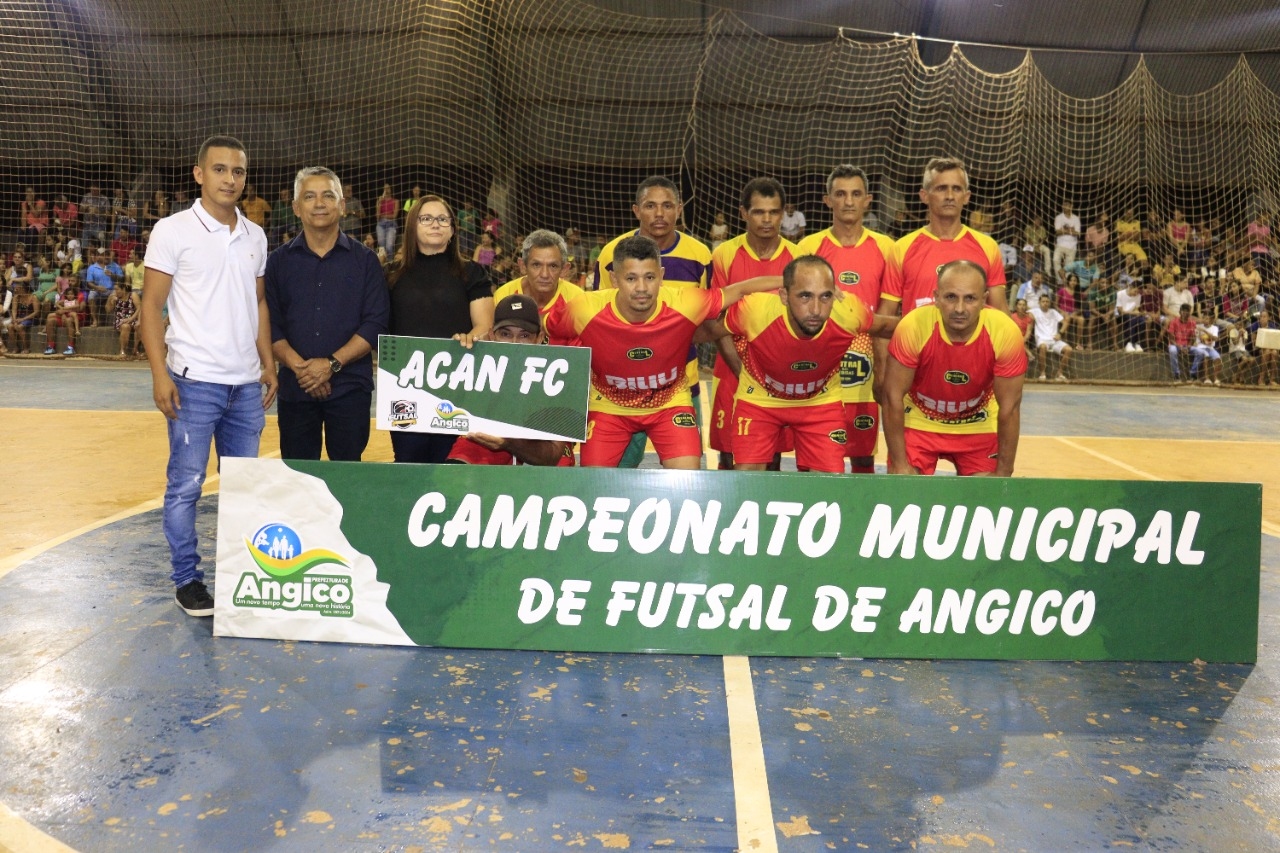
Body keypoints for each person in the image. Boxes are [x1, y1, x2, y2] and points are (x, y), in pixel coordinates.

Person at [140, 135, 277, 618]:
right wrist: (161, 375)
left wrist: (267, 361)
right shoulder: (173, 230)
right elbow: (151, 307)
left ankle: (241, 573)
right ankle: (188, 580)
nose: (229, 179)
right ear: (199, 174)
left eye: (237, 171)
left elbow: (258, 302)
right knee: (186, 485)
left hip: (244, 386)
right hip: (193, 381)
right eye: (219, 170)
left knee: (244, 486)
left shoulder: (255, 235)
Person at [546, 234, 773, 470]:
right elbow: (549, 329)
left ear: (662, 276)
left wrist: (790, 283)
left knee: (687, 481)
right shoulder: (584, 309)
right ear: (614, 279)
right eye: (631, 278)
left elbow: (740, 290)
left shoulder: (684, 302)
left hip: (669, 401)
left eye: (650, 277)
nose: (642, 288)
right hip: (609, 404)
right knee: (594, 482)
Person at [716, 255, 897, 473]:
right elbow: (704, 328)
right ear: (784, 295)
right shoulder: (756, 310)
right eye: (805, 296)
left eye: (825, 297)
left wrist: (934, 320)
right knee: (747, 481)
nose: (816, 309)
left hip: (819, 401)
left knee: (828, 487)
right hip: (761, 399)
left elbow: (887, 326)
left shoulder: (846, 311)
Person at [265, 167, 390, 462]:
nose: (319, 203)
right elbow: (270, 325)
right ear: (296, 208)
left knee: (346, 477)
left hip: (350, 388)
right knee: (298, 478)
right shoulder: (278, 262)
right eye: (309, 196)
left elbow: (375, 323)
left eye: (328, 195)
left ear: (342, 205)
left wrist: (331, 364)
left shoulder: (366, 261)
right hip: (296, 388)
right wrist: (303, 369)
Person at [593, 176, 712, 467]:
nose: (659, 214)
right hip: (621, 391)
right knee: (613, 480)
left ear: (680, 208)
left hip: (680, 388)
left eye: (667, 205)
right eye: (650, 206)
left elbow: (706, 320)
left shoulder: (700, 256)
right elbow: (601, 319)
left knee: (685, 481)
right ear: (636, 210)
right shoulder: (612, 254)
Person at [796, 165, 899, 474]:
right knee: (812, 458)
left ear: (868, 200)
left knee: (863, 456)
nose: (849, 202)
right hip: (818, 366)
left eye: (856, 194)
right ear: (828, 200)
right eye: (841, 194)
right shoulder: (808, 247)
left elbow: (886, 317)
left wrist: (882, 371)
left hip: (865, 368)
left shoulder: (887, 248)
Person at [882, 259, 1027, 477]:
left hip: (977, 420)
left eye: (970, 298)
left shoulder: (1005, 331)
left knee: (985, 501)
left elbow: (1010, 409)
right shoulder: (913, 326)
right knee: (906, 491)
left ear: (984, 300)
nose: (960, 309)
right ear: (936, 298)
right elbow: (892, 397)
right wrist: (901, 465)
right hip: (920, 417)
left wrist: (1003, 472)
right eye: (951, 297)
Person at [386, 193, 494, 464]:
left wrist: (471, 336)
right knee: (408, 461)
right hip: (404, 387)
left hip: (457, 384)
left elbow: (485, 325)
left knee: (450, 465)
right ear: (413, 226)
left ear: (453, 229)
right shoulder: (389, 274)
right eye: (426, 218)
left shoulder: (473, 272)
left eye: (443, 219)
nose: (435, 224)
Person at [708, 177, 801, 470]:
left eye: (774, 212)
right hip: (732, 369)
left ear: (783, 213)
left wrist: (772, 376)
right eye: (759, 211)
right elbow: (717, 320)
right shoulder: (724, 255)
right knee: (728, 455)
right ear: (743, 213)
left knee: (770, 458)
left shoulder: (798, 259)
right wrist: (742, 371)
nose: (767, 219)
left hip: (778, 377)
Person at [445, 295, 575, 466]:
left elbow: (551, 456)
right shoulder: (476, 368)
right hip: (487, 446)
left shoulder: (558, 380)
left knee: (562, 467)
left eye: (524, 336)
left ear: (539, 338)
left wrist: (508, 442)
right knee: (457, 470)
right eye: (505, 334)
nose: (514, 343)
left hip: (536, 452)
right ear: (492, 335)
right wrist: (456, 356)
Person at [882, 156, 1007, 325]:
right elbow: (886, 315)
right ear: (924, 196)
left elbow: (1001, 315)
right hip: (918, 350)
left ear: (966, 196)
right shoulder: (902, 248)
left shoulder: (988, 247)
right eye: (941, 188)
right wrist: (884, 353)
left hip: (970, 351)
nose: (949, 196)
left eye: (956, 189)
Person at [491, 229, 583, 343]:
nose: (544, 274)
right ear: (523, 266)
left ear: (564, 270)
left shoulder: (577, 300)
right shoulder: (503, 296)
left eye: (553, 266)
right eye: (536, 265)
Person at [1028, 292, 1072, 381]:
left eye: (1047, 301)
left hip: (1054, 340)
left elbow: (1066, 322)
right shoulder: (1034, 311)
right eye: (1043, 301)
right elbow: (1025, 313)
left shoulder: (1054, 312)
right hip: (1042, 339)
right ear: (1039, 303)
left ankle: (1059, 373)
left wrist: (1060, 333)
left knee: (1069, 349)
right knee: (1043, 347)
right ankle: (1042, 374)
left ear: (1049, 303)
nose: (1045, 303)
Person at [1165, 302, 1199, 382]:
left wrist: (1188, 347)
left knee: (1200, 352)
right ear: (1180, 312)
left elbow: (1193, 338)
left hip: (1187, 346)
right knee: (1172, 350)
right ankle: (1176, 374)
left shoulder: (1192, 322)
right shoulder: (1174, 321)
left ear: (1189, 313)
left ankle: (1193, 374)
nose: (1185, 313)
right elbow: (1171, 339)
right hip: (1175, 345)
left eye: (1187, 311)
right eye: (1183, 311)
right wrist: (1180, 347)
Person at [106, 277, 138, 357]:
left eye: (117, 289)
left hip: (133, 317)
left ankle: (135, 349)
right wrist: (111, 302)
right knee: (125, 326)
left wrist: (131, 318)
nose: (115, 291)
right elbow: (108, 310)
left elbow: (139, 309)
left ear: (123, 289)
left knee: (139, 325)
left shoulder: (133, 295)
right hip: (120, 320)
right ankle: (122, 350)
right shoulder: (113, 296)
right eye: (114, 289)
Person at [1053, 200, 1082, 279]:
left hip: (1072, 246)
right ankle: (1060, 281)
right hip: (1060, 244)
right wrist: (1071, 230)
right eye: (1064, 205)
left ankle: (1066, 283)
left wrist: (1064, 230)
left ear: (1071, 206)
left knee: (1068, 267)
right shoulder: (1059, 217)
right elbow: (1057, 232)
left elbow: (1078, 233)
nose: (1065, 206)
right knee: (1055, 260)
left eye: (1067, 205)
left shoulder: (1076, 218)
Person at [376, 182, 399, 258]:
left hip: (391, 225)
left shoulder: (395, 201)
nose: (386, 190)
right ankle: (382, 266)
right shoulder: (380, 201)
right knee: (381, 246)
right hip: (380, 224)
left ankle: (390, 266)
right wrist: (379, 203)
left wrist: (384, 215)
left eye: (388, 188)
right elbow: (378, 217)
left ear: (391, 189)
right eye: (385, 188)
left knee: (389, 246)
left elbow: (394, 216)